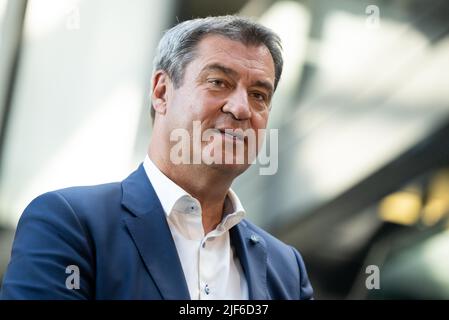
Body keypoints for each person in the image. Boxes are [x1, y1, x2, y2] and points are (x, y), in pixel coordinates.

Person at [0, 15, 313, 300]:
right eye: (219, 82)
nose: (241, 108)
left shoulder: (286, 268)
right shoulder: (69, 224)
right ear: (162, 92)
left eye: (259, 95)